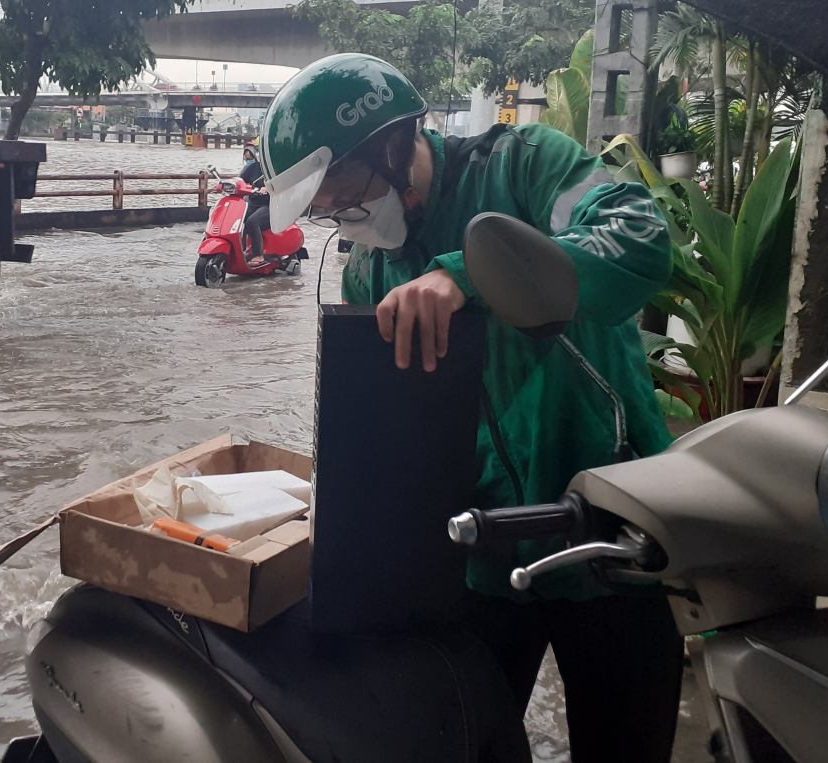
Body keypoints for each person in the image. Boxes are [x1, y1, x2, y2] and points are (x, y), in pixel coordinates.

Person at [259, 53, 684, 763]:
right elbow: (389, 433)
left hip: (614, 536)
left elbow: (639, 242)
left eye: (341, 191)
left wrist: (466, 276)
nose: (336, 215)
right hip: (480, 557)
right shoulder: (371, 267)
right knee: (461, 744)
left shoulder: (525, 165)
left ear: (394, 146)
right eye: (322, 208)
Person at [239, 141, 274, 267]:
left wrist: (268, 188)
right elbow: (240, 180)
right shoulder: (253, 167)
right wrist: (224, 185)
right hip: (253, 203)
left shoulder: (276, 168)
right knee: (238, 219)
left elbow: (285, 184)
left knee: (252, 221)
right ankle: (240, 250)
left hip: (270, 206)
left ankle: (258, 255)